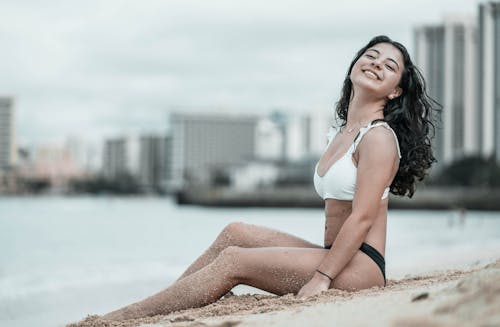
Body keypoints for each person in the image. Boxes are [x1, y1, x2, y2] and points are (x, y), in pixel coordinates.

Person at [102, 35, 438, 320]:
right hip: (336, 256)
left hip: (359, 269)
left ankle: (125, 318)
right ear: (355, 65)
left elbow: (362, 217)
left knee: (234, 261)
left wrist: (321, 278)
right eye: (371, 56)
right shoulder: (341, 134)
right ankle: (167, 305)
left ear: (395, 92)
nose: (377, 64)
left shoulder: (378, 137)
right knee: (235, 233)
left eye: (389, 67)